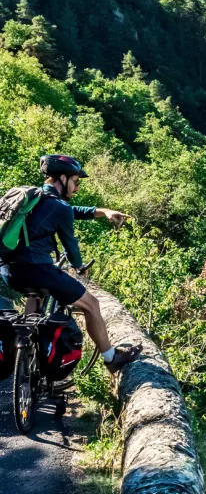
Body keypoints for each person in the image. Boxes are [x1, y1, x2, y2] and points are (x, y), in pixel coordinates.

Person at [1, 154, 141, 373]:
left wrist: (103, 212)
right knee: (92, 305)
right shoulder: (58, 207)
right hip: (37, 270)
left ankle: (27, 353)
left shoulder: (33, 199)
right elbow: (71, 247)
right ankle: (111, 357)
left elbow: (71, 211)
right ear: (63, 178)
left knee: (35, 294)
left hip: (8, 271)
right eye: (76, 182)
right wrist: (79, 267)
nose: (77, 188)